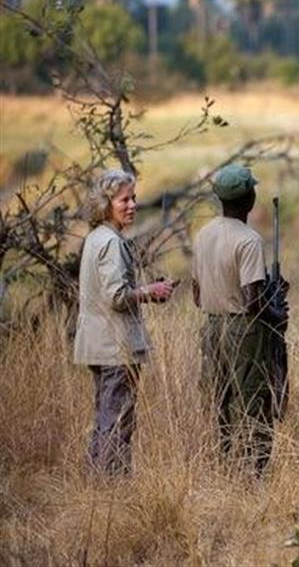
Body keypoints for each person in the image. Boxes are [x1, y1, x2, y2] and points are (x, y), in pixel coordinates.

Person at [74, 169, 176, 475]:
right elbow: (117, 296)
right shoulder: (111, 242)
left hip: (99, 344)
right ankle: (110, 490)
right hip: (116, 346)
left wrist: (145, 292)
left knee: (106, 419)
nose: (131, 205)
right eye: (124, 200)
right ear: (107, 203)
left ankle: (96, 486)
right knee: (118, 422)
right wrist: (150, 291)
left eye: (133, 198)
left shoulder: (95, 237)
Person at [192, 165, 287, 474]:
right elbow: (252, 300)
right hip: (244, 332)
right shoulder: (249, 240)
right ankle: (252, 474)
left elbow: (196, 295)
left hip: (212, 327)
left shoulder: (203, 234)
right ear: (249, 199)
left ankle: (226, 467)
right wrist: (278, 315)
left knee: (221, 400)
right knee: (253, 401)